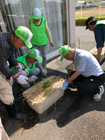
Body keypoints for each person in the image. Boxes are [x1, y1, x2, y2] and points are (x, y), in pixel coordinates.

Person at [0, 26, 33, 119]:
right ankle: (12, 113)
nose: (23, 46)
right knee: (5, 89)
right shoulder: (3, 44)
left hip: (0, 64)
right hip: (0, 66)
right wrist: (18, 76)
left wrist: (18, 68)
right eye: (23, 43)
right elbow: (2, 66)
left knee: (9, 81)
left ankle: (9, 99)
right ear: (18, 39)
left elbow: (10, 56)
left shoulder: (9, 40)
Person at [28, 7, 54, 72]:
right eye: (35, 19)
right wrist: (28, 42)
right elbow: (28, 32)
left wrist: (50, 41)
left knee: (44, 56)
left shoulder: (44, 20)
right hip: (34, 42)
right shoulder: (30, 21)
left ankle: (44, 67)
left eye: (38, 19)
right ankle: (37, 67)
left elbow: (47, 31)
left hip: (43, 42)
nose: (36, 20)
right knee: (35, 57)